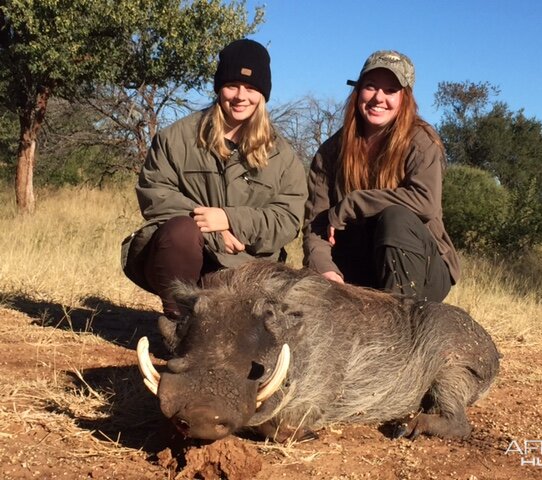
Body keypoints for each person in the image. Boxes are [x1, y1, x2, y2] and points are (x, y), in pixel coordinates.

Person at [121, 39, 307, 346]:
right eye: (232, 85)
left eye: (250, 88)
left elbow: (287, 220)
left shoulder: (283, 156)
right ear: (219, 87)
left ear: (263, 94)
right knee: (180, 231)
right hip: (186, 260)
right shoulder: (175, 137)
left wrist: (230, 219)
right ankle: (180, 330)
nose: (240, 97)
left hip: (246, 266)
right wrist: (213, 230)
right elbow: (154, 192)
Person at [303, 50, 460, 302]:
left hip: (425, 270)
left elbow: (426, 203)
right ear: (358, 91)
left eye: (390, 90)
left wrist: (354, 203)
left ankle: (401, 322)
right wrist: (325, 269)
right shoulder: (330, 151)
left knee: (396, 218)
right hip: (359, 264)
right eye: (371, 86)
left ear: (404, 98)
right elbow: (317, 224)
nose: (378, 98)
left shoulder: (421, 141)